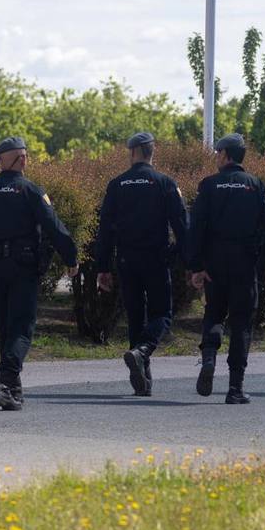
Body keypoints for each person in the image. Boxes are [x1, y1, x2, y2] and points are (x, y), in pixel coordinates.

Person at [0, 137, 78, 411]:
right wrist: (71, 257)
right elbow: (55, 228)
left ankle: (13, 388)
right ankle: (5, 382)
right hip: (23, 266)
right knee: (22, 327)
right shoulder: (31, 190)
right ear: (22, 160)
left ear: (1, 160)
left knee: (7, 326)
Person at [186, 133, 265, 405]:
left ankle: (208, 357)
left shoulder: (208, 185)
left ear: (227, 155)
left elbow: (195, 229)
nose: (216, 156)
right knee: (242, 323)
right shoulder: (255, 186)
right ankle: (235, 388)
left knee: (214, 313)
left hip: (215, 264)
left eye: (218, 152)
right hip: (245, 264)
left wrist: (196, 266)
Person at [94, 132, 189, 396]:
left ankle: (143, 380)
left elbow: (105, 231)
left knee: (136, 316)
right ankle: (142, 352)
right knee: (162, 314)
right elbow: (182, 225)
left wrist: (102, 267)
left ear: (133, 152)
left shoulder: (117, 184)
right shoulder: (165, 183)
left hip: (126, 259)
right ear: (151, 152)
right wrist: (186, 257)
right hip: (156, 258)